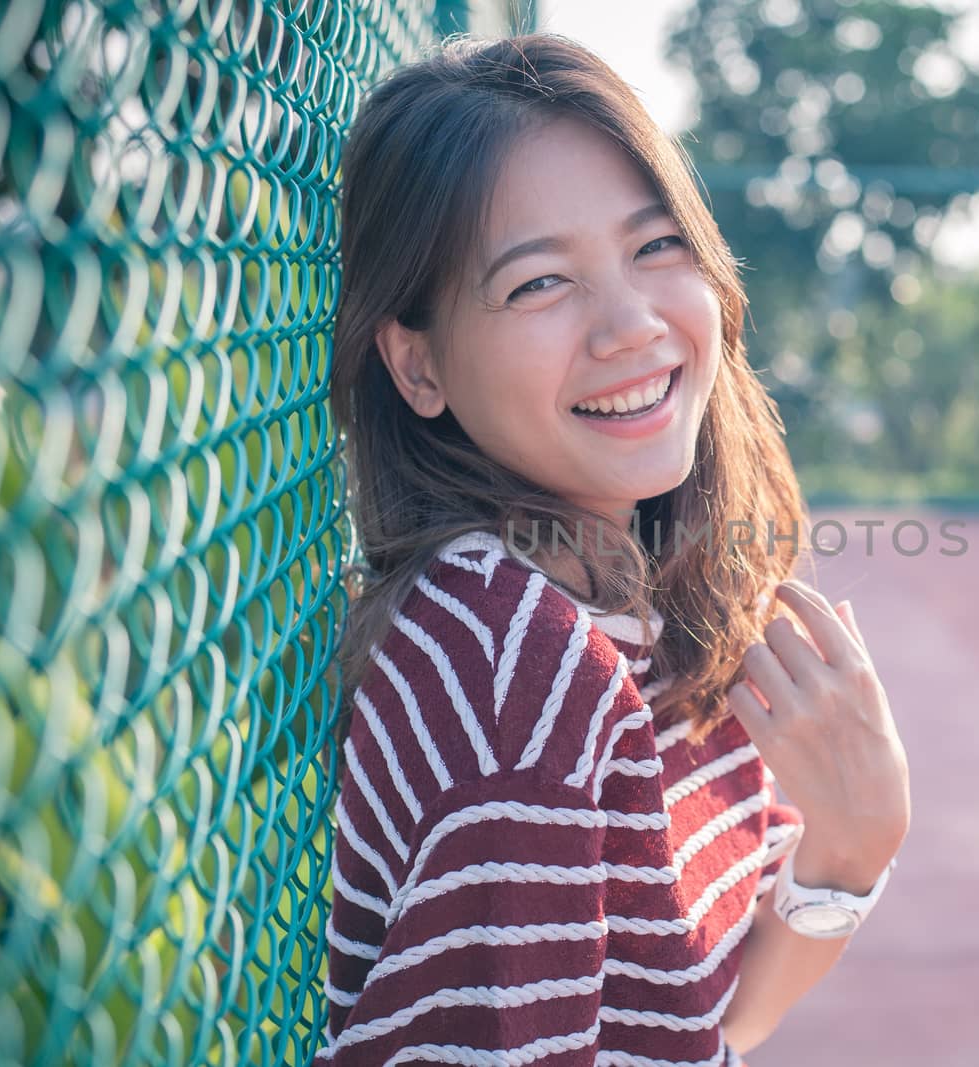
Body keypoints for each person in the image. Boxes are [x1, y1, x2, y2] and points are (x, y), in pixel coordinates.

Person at [317, 32, 911, 1066]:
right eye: (541, 283)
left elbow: (704, 1023)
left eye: (656, 246)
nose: (631, 325)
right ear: (417, 365)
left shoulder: (636, 597)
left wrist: (855, 846)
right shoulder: (515, 676)